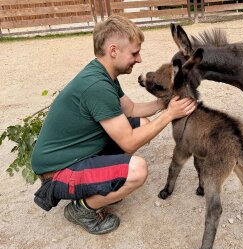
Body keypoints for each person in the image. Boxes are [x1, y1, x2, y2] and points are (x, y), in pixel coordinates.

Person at [31, 15, 196, 235]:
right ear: (113, 51)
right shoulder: (97, 86)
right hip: (58, 172)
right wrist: (168, 116)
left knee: (141, 123)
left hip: (77, 153)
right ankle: (81, 209)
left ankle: (103, 184)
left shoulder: (104, 74)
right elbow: (128, 143)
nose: (139, 59)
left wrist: (163, 103)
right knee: (138, 170)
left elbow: (131, 110)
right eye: (135, 53)